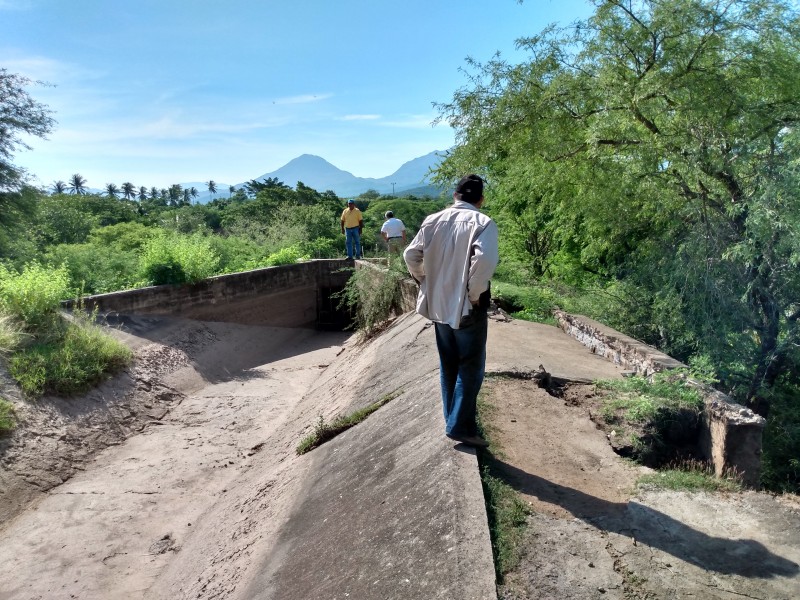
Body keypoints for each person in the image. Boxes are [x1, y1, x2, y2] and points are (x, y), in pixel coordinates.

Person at [403, 174, 499, 448]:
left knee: (448, 364)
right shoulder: (483, 223)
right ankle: (458, 426)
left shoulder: (432, 220)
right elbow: (485, 261)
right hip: (467, 305)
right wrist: (473, 293)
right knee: (471, 367)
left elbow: (410, 255)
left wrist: (423, 279)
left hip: (438, 304)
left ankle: (454, 420)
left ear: (455, 196)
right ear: (480, 199)